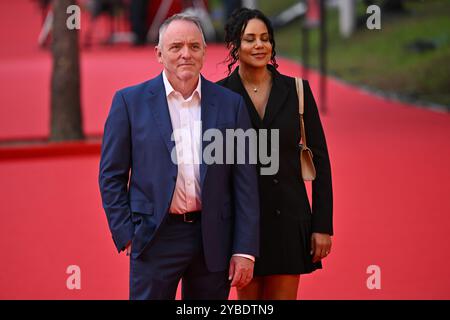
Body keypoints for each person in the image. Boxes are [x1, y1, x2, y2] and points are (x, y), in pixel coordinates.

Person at [99, 13, 260, 300]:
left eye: (194, 46)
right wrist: (125, 233)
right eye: (176, 47)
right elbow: (111, 175)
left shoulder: (230, 105)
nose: (186, 54)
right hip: (154, 236)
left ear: (204, 52)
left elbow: (245, 180)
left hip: (213, 237)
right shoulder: (129, 103)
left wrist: (244, 248)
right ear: (159, 54)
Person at [217, 8, 333, 300]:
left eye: (265, 39)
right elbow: (214, 169)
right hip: (242, 227)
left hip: (289, 220)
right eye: (250, 39)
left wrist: (322, 226)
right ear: (235, 46)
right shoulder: (219, 96)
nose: (259, 45)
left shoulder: (298, 91)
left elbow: (321, 162)